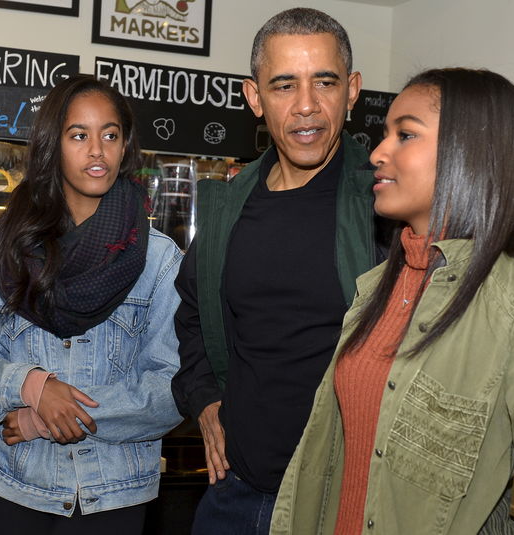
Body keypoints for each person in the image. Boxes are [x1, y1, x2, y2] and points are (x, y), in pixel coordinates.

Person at [270, 68, 514, 534]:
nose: (379, 153)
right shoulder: (376, 290)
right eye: (386, 135)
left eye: (405, 135)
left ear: (470, 154)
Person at [170, 8, 385, 534]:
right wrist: (205, 400)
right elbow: (194, 315)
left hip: (347, 503)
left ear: (352, 90)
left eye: (325, 82)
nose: (306, 106)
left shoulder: (385, 203)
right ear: (254, 96)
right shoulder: (226, 207)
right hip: (236, 497)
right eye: (284, 85)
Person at [0, 75, 183, 534]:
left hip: (112, 496)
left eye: (110, 135)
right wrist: (29, 384)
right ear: (52, 145)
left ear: (125, 146)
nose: (97, 150)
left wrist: (46, 418)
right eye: (79, 135)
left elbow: (174, 390)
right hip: (11, 486)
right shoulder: (7, 250)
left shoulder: (158, 259)